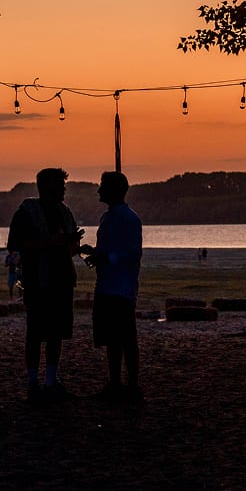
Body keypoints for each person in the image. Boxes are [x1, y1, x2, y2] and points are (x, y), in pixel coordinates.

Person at [8, 167, 83, 403]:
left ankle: (51, 382)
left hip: (61, 280)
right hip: (38, 281)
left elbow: (70, 248)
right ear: (46, 186)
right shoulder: (26, 213)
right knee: (35, 332)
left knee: (56, 333)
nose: (63, 188)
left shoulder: (65, 212)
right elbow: (18, 245)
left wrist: (72, 245)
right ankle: (33, 383)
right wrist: (50, 243)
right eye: (60, 184)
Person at [80, 172, 144, 404]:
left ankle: (133, 386)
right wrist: (96, 254)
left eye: (102, 186)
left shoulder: (129, 219)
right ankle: (115, 383)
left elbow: (134, 253)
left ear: (114, 190)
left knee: (127, 338)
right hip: (105, 285)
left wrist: (107, 257)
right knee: (111, 338)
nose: (98, 191)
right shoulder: (106, 218)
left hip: (122, 287)